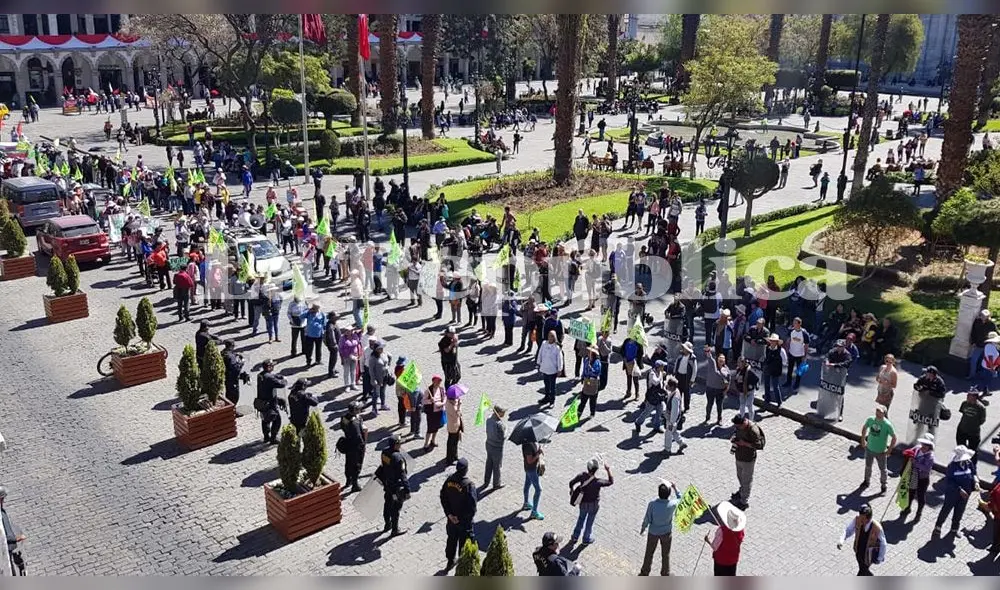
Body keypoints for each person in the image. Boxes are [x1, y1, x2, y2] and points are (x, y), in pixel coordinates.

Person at [440, 457, 478, 570]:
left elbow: (443, 497)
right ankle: (462, 566)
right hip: (464, 522)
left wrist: (449, 515)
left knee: (451, 540)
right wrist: (461, 518)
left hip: (451, 520)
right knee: (464, 543)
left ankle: (450, 561)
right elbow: (472, 508)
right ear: (466, 470)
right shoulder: (469, 485)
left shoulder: (449, 481)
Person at [934, 445, 980, 537]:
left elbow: (974, 472)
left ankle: (954, 529)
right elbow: (949, 481)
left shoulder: (969, 462)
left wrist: (976, 481)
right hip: (952, 493)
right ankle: (938, 527)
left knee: (959, 511)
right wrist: (960, 490)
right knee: (946, 509)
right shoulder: (952, 466)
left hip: (966, 493)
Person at [639, 481, 682, 576]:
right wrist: (675, 488)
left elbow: (647, 518)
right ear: (669, 494)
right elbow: (681, 498)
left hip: (653, 533)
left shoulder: (652, 504)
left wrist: (643, 528)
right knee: (665, 555)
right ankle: (665, 573)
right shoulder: (672, 504)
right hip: (666, 532)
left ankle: (645, 572)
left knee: (649, 553)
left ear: (658, 493)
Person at [568, 458, 614, 545]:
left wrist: (572, 490)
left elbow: (571, 483)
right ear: (596, 470)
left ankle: (575, 537)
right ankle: (586, 539)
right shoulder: (598, 482)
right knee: (589, 522)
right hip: (594, 505)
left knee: (581, 519)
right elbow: (610, 482)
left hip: (583, 503)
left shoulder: (582, 476)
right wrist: (608, 470)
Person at [375, 434, 410, 537]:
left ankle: (387, 524)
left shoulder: (384, 452)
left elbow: (383, 465)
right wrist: (407, 489)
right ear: (395, 445)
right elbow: (403, 475)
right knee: (396, 508)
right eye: (399, 443)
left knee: (387, 504)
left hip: (387, 484)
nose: (400, 445)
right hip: (396, 487)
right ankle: (395, 529)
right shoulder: (398, 458)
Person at [837, 504, 887, 576]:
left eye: (862, 518)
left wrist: (880, 558)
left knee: (863, 571)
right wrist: (841, 540)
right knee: (863, 571)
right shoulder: (858, 519)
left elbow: (883, 544)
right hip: (858, 552)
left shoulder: (877, 528)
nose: (860, 519)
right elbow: (849, 530)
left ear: (868, 519)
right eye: (860, 516)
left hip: (868, 556)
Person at [860, 404, 897, 495]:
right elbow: (864, 428)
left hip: (881, 452)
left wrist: (889, 450)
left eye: (880, 412)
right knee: (868, 466)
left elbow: (894, 437)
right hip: (869, 448)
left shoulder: (887, 425)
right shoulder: (871, 419)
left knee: (883, 470)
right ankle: (866, 481)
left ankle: (883, 486)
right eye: (877, 411)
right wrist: (863, 440)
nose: (877, 413)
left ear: (884, 414)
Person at [730, 414, 764, 510]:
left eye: (738, 426)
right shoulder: (739, 427)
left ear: (744, 422)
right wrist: (733, 438)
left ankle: (744, 501)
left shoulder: (753, 430)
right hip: (739, 456)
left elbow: (760, 445)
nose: (737, 427)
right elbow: (736, 433)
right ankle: (742, 491)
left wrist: (744, 443)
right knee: (740, 476)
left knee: (746, 480)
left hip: (748, 459)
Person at [900, 434, 935, 521]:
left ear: (929, 446)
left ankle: (919, 513)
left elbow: (926, 468)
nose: (923, 446)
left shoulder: (930, 457)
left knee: (920, 496)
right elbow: (909, 452)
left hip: (923, 479)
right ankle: (907, 508)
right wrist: (908, 454)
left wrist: (915, 462)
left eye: (926, 445)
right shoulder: (917, 448)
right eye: (923, 444)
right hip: (913, 476)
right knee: (910, 493)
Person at [706, 501, 746, 576]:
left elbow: (715, 546)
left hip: (721, 561)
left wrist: (708, 540)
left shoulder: (722, 531)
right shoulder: (740, 530)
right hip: (733, 560)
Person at [255, 359, 287, 444]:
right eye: (272, 366)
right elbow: (281, 384)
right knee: (277, 420)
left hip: (261, 402)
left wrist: (279, 376)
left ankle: (266, 437)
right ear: (269, 367)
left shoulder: (260, 375)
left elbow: (273, 376)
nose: (273, 367)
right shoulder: (269, 378)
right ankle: (273, 438)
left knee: (265, 420)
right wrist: (284, 380)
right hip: (270, 403)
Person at [339, 401, 367, 492]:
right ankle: (355, 485)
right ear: (354, 410)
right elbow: (358, 436)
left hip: (348, 443)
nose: (360, 410)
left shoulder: (344, 417)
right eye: (358, 408)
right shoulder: (355, 422)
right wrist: (363, 446)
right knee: (356, 465)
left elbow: (342, 427)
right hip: (356, 447)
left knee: (348, 463)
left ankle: (348, 481)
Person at [1, 486, 25, 576]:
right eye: (2, 499)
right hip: (6, 551)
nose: (3, 501)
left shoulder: (2, 511)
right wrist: (16, 538)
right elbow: (3, 537)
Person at [957, 389, 988, 460]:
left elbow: (982, 420)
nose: (967, 396)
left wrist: (973, 424)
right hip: (962, 429)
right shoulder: (964, 403)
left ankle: (972, 464)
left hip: (973, 433)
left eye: (969, 395)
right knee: (960, 449)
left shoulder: (981, 408)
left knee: (972, 451)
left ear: (974, 397)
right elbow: (963, 412)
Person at [483, 405, 507, 491]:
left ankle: (486, 481)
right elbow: (502, 437)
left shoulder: (489, 419)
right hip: (497, 447)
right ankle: (496, 484)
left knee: (489, 463)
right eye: (503, 412)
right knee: (497, 466)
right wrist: (505, 430)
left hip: (489, 444)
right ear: (498, 412)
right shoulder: (499, 424)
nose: (504, 414)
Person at [537, 330, 564, 407]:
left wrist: (559, 369)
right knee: (546, 385)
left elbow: (560, 359)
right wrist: (538, 362)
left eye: (552, 336)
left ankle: (552, 401)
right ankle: (546, 397)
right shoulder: (544, 344)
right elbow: (540, 353)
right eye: (549, 336)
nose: (550, 338)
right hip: (545, 368)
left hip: (552, 370)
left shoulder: (557, 347)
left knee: (552, 387)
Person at [704, 351, 731, 425]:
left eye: (723, 358)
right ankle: (707, 418)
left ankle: (719, 419)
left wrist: (726, 389)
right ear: (717, 359)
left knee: (719, 405)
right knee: (709, 404)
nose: (721, 360)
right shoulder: (712, 364)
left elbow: (729, 380)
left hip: (720, 390)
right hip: (710, 388)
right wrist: (708, 350)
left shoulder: (726, 369)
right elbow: (709, 357)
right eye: (720, 358)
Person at [762, 334, 787, 407]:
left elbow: (785, 361)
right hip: (767, 369)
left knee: (775, 386)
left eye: (774, 341)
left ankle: (779, 402)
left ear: (777, 342)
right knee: (766, 385)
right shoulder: (766, 348)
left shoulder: (781, 350)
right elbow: (764, 357)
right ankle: (767, 400)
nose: (773, 342)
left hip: (776, 370)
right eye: (772, 341)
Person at [522, 437, 544, 520]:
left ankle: (526, 503)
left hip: (528, 468)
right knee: (538, 489)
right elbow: (530, 461)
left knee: (527, 484)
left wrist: (538, 450)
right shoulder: (528, 445)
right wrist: (538, 454)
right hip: (531, 469)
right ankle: (534, 512)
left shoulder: (530, 441)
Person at [732, 357, 759, 421]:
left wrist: (751, 385)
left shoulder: (749, 370)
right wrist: (738, 386)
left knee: (749, 406)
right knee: (742, 406)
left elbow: (756, 379)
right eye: (738, 362)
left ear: (743, 363)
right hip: (742, 391)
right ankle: (741, 420)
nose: (738, 364)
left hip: (749, 391)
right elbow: (736, 379)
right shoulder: (738, 370)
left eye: (739, 362)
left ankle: (751, 420)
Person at [674, 341, 698, 412]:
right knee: (678, 391)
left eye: (684, 348)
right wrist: (675, 372)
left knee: (687, 393)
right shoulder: (680, 355)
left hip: (686, 377)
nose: (683, 349)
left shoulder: (692, 358)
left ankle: (686, 407)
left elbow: (694, 370)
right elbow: (676, 363)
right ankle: (678, 405)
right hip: (679, 376)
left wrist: (692, 380)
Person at [423, 375, 446, 451]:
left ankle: (433, 441)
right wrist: (430, 401)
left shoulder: (441, 389)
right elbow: (423, 401)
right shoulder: (428, 390)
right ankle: (426, 444)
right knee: (430, 429)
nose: (438, 383)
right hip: (431, 413)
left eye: (439, 381)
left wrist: (443, 403)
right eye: (437, 381)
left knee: (436, 427)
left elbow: (445, 397)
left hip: (439, 411)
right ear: (433, 381)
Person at [222, 341, 246, 407]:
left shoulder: (223, 352)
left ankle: (229, 406)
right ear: (231, 346)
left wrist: (235, 354)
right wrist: (242, 363)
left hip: (226, 377)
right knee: (234, 396)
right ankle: (232, 408)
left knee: (228, 393)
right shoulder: (231, 357)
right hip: (232, 379)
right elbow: (236, 368)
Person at [444, 386, 464, 464]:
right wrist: (459, 405)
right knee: (451, 443)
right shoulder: (449, 405)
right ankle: (449, 459)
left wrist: (457, 403)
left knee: (455, 442)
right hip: (452, 427)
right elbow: (457, 415)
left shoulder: (453, 402)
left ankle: (455, 455)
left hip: (456, 425)